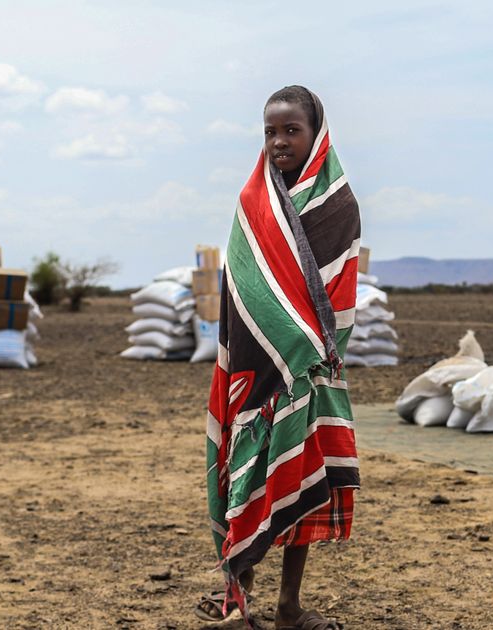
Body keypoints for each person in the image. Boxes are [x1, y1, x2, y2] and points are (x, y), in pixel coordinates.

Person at [198, 85, 361, 630]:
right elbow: (241, 285)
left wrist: (309, 345)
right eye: (270, 131)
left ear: (316, 136)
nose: (278, 142)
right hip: (256, 367)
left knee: (302, 485)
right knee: (247, 477)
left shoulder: (337, 205)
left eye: (291, 130)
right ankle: (236, 598)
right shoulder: (253, 202)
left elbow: (338, 285)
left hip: (309, 369)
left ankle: (288, 606)